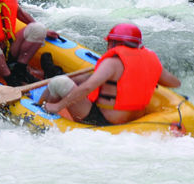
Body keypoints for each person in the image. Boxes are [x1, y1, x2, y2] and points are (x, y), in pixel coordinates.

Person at [39, 23, 180, 126]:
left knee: (58, 82)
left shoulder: (112, 63)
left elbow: (87, 88)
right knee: (72, 79)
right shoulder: (150, 61)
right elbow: (175, 83)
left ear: (113, 43)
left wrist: (58, 106)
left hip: (102, 120)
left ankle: (40, 108)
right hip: (133, 120)